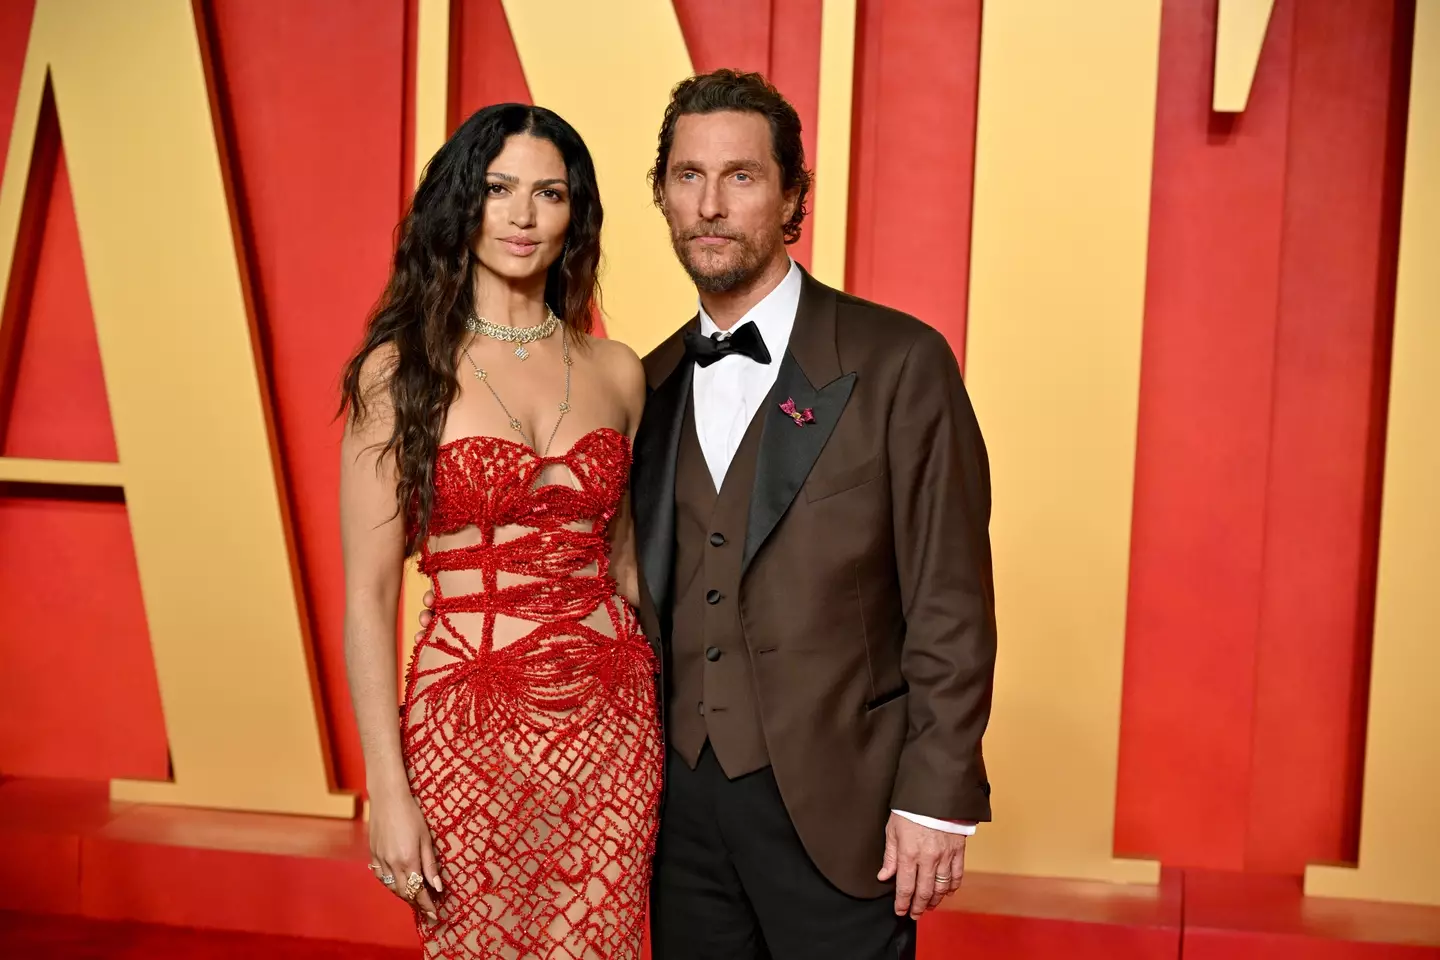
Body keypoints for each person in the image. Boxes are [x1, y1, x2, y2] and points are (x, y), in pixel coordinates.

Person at [420, 70, 998, 960]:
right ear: (661, 196)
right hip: (672, 809)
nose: (711, 205)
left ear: (794, 195)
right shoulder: (639, 383)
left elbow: (950, 598)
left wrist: (935, 798)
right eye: (688, 177)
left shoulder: (898, 364)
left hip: (843, 809)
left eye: (741, 176)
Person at [339, 103, 659, 959]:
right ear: (462, 204)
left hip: (613, 730)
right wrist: (387, 790)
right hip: (463, 733)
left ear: (575, 213)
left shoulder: (619, 372)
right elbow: (368, 598)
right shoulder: (400, 370)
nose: (522, 216)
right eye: (499, 189)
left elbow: (623, 563)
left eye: (548, 194)